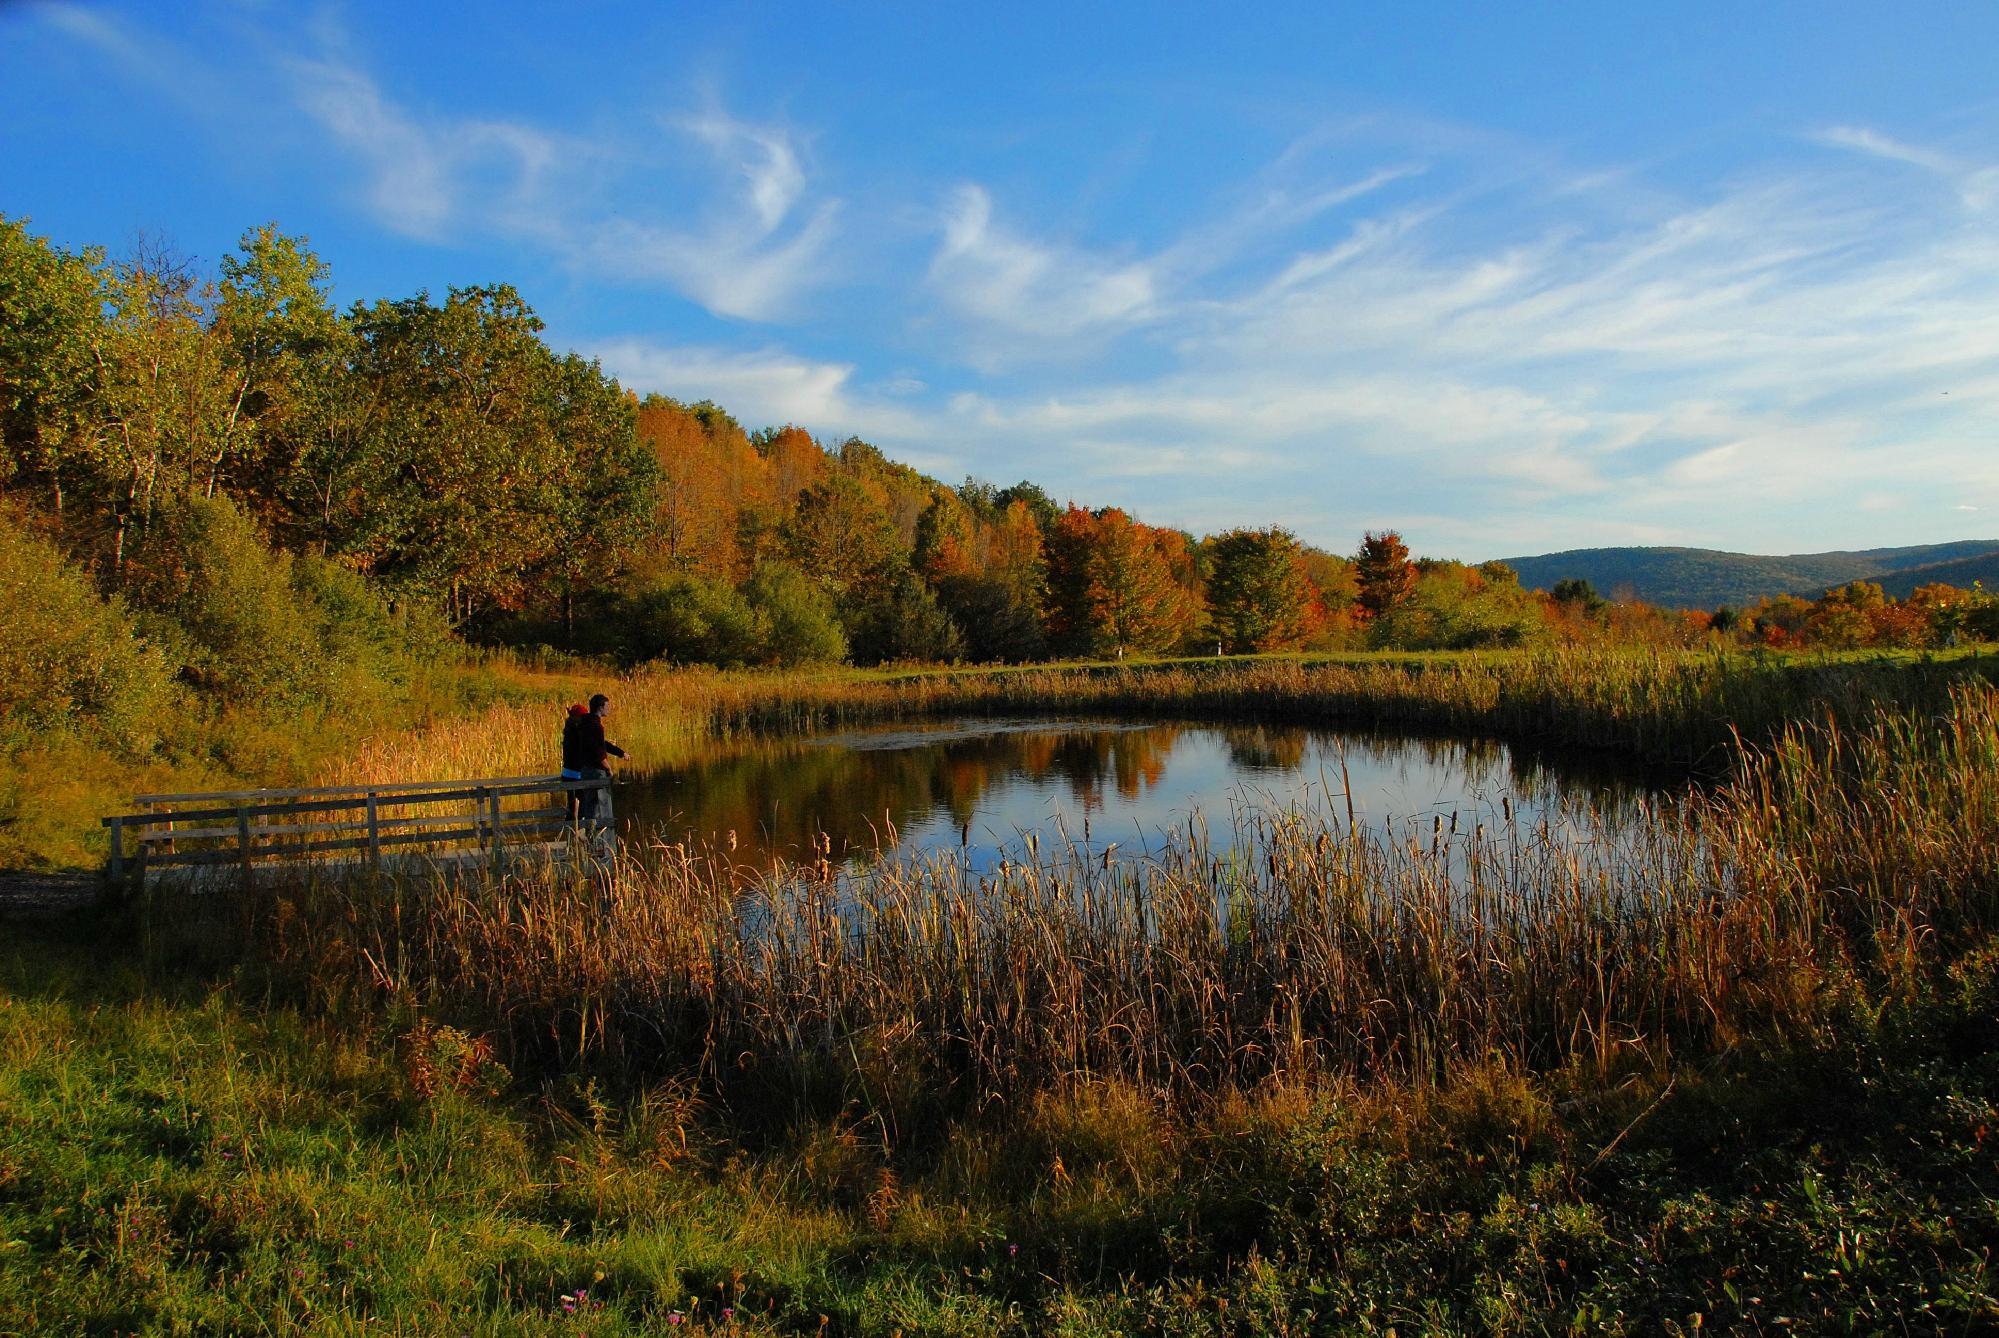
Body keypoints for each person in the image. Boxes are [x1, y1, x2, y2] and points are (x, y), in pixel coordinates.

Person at [560, 694, 627, 838]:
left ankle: (573, 836)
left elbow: (599, 744)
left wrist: (619, 752)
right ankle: (584, 836)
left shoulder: (570, 731)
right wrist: (609, 767)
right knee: (585, 806)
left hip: (568, 773)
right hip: (578, 774)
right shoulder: (584, 730)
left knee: (575, 808)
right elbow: (599, 748)